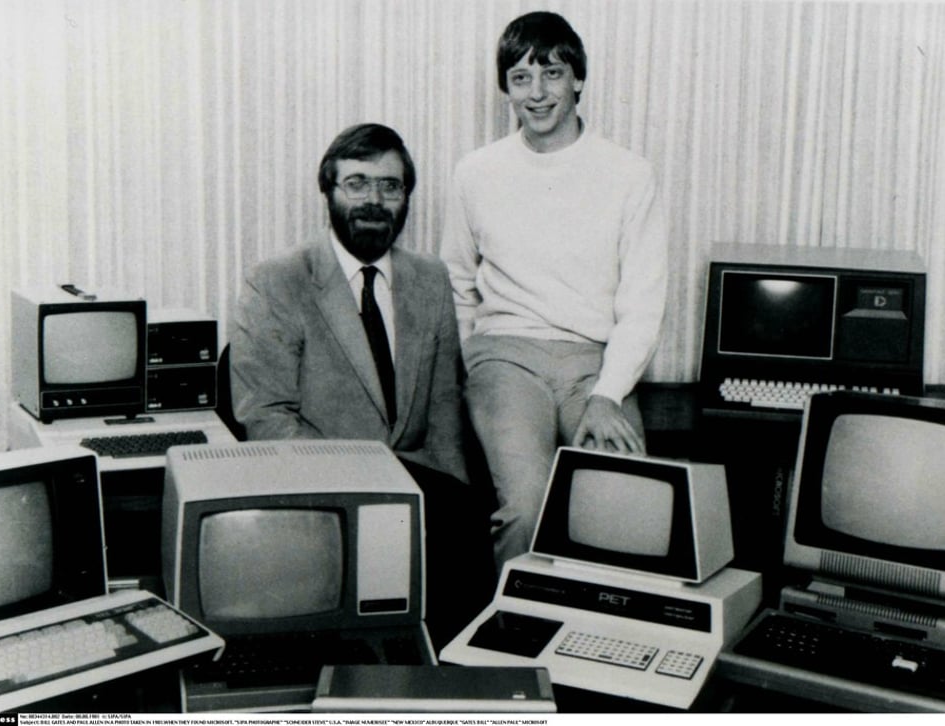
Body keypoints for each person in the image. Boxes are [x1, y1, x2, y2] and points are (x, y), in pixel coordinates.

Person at [230, 123, 493, 647]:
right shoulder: (278, 280)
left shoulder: (431, 279)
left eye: (390, 186)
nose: (375, 200)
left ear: (406, 199)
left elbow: (443, 414)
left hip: (421, 498)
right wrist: (373, 485)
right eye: (357, 183)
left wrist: (452, 506)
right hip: (325, 496)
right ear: (327, 192)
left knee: (468, 545)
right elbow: (267, 418)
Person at [440, 11, 668, 572]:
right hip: (505, 358)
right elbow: (456, 284)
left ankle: (602, 649)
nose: (537, 94)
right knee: (528, 507)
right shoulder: (476, 172)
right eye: (521, 78)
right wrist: (474, 367)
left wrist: (608, 393)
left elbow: (643, 302)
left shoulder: (629, 174)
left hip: (594, 366)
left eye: (552, 74)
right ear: (506, 89)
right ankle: (514, 643)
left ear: (578, 79)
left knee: (622, 504)